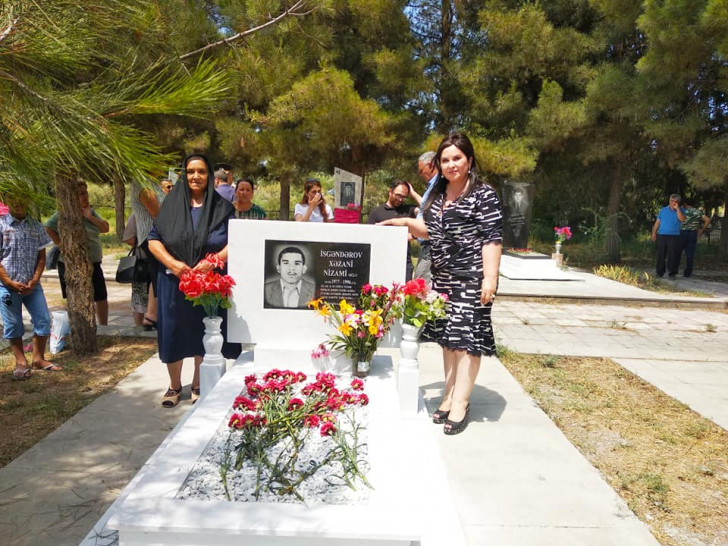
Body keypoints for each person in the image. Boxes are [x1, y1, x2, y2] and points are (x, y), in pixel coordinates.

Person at [380, 132, 502, 435]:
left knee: (468, 340)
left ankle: (461, 402)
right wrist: (403, 222)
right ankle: (448, 396)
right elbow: (430, 230)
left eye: (457, 158)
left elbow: (492, 239)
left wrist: (490, 279)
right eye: (445, 160)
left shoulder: (483, 194)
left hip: (473, 277)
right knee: (449, 339)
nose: (451, 164)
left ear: (469, 160)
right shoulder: (437, 194)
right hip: (443, 277)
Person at [147, 154, 235, 408]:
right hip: (174, 282)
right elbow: (153, 240)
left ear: (209, 175)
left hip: (208, 283)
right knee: (173, 331)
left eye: (201, 171)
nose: (195, 176)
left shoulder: (222, 208)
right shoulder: (171, 205)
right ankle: (174, 385)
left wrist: (212, 261)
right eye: (190, 171)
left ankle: (197, 384)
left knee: (202, 329)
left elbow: (234, 240)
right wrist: (173, 264)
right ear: (184, 175)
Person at [0, 195, 61, 379]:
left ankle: (38, 358)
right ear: (6, 200)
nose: (18, 202)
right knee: (13, 324)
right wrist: (9, 282)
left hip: (32, 286)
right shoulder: (2, 225)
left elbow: (41, 257)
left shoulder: (35, 226)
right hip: (8, 287)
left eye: (22, 198)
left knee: (43, 320)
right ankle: (21, 362)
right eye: (14, 198)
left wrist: (34, 280)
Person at [45, 181, 110, 325]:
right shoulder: (63, 213)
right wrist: (61, 245)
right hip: (71, 264)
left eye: (85, 193)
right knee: (75, 297)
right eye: (81, 194)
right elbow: (48, 227)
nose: (85, 197)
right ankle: (79, 324)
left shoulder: (90, 212)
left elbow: (105, 228)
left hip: (93, 262)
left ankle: (103, 325)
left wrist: (90, 217)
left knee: (100, 295)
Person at [368, 180, 417, 280]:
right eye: (398, 195)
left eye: (404, 197)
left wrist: (414, 235)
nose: (400, 199)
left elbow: (428, 213)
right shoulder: (376, 212)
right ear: (390, 191)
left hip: (404, 263)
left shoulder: (410, 209)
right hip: (382, 263)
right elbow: (369, 238)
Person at [413, 151, 438, 282]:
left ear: (430, 165)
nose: (420, 174)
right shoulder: (433, 185)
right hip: (427, 247)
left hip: (431, 246)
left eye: (421, 170)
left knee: (419, 286)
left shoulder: (438, 185)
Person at [122, 213, 148, 328]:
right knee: (139, 297)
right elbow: (128, 238)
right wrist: (145, 242)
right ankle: (139, 328)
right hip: (142, 262)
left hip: (162, 263)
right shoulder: (136, 215)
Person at [651, 194, 686, 279]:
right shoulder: (663, 210)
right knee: (661, 254)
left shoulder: (681, 210)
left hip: (674, 236)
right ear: (669, 201)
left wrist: (677, 209)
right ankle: (660, 272)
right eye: (671, 200)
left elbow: (682, 219)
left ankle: (672, 273)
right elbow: (657, 222)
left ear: (678, 202)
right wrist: (654, 233)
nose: (673, 202)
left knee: (673, 255)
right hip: (662, 235)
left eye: (675, 201)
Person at [679, 199, 711, 278]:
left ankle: (674, 270)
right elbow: (708, 220)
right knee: (690, 254)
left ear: (685, 204)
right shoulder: (697, 212)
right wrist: (702, 230)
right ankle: (687, 273)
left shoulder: (682, 211)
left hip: (682, 232)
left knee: (677, 252)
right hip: (693, 233)